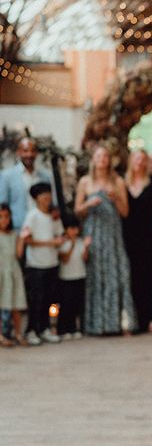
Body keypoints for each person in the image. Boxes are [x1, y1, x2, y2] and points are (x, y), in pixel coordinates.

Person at [75, 144, 136, 335]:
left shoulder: (117, 181)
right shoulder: (85, 182)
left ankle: (120, 323)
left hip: (112, 234)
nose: (103, 159)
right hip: (94, 233)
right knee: (96, 276)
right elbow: (77, 211)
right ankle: (97, 325)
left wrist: (116, 197)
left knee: (118, 275)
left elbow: (125, 212)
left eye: (106, 156)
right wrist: (88, 203)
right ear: (93, 159)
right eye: (99, 156)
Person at [122, 150, 152, 333]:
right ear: (131, 161)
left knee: (148, 277)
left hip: (149, 237)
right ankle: (136, 318)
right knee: (132, 277)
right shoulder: (122, 182)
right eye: (136, 158)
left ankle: (151, 317)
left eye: (143, 159)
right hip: (128, 236)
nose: (139, 162)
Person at [21, 182, 63, 345]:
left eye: (48, 194)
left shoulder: (54, 216)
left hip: (52, 262)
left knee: (48, 298)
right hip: (36, 264)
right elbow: (28, 240)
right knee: (35, 299)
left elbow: (59, 234)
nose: (46, 198)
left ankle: (45, 328)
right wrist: (49, 243)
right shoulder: (32, 216)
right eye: (42, 195)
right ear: (36, 198)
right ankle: (31, 329)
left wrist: (58, 242)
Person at [0, 137, 54, 232]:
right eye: (25, 151)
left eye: (32, 151)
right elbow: (3, 204)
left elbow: (51, 203)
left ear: (36, 153)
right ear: (18, 152)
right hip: (17, 230)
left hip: (41, 230)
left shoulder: (45, 176)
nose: (29, 154)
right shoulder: (7, 176)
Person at [57, 214, 90, 340]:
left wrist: (86, 247)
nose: (74, 231)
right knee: (65, 305)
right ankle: (63, 329)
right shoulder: (63, 243)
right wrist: (71, 244)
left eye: (75, 228)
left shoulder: (81, 242)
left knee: (77, 304)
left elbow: (85, 258)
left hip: (79, 276)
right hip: (66, 278)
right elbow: (64, 259)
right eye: (71, 228)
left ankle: (74, 328)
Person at [0, 203, 27, 346]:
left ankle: (18, 333)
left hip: (13, 270)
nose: (4, 220)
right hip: (1, 272)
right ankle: (1, 336)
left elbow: (18, 254)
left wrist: (22, 239)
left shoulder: (13, 235)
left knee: (15, 304)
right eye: (1, 217)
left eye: (6, 217)